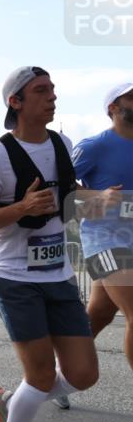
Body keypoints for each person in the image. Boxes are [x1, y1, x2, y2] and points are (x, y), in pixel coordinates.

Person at [0, 66, 99, 422]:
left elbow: (69, 199)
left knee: (83, 375)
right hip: (14, 277)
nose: (52, 96)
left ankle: (8, 402)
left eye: (53, 89)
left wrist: (100, 200)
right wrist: (21, 208)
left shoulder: (61, 142)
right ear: (16, 102)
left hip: (58, 275)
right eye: (41, 90)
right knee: (40, 375)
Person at [72, 82, 133, 387]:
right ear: (113, 108)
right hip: (104, 238)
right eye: (132, 97)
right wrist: (98, 196)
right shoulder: (94, 145)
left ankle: (61, 372)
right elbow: (59, 185)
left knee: (100, 314)